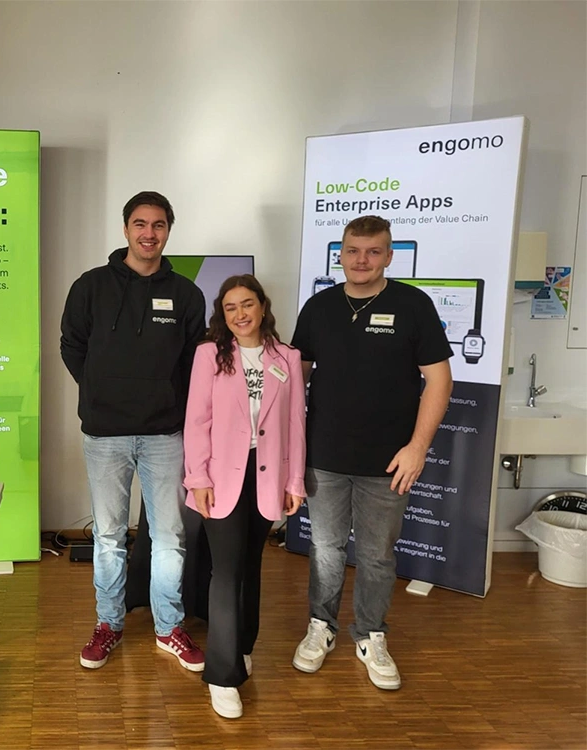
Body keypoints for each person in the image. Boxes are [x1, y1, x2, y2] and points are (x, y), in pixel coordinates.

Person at [290, 215, 453, 690]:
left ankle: (370, 635)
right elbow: (294, 379)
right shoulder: (319, 307)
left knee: (378, 555)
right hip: (325, 457)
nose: (362, 260)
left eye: (373, 251)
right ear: (340, 254)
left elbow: (439, 381)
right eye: (353, 251)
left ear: (388, 255)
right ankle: (321, 628)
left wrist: (417, 448)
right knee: (324, 549)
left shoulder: (413, 305)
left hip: (389, 462)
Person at [61, 191, 207, 672]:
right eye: (141, 224)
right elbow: (72, 346)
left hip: (165, 434)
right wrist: (102, 389)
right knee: (107, 536)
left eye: (159, 225)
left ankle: (169, 628)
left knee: (169, 537)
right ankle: (109, 624)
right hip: (105, 433)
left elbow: (193, 362)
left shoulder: (187, 294)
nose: (150, 233)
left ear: (169, 231)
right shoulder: (91, 286)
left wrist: (164, 399)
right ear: (126, 229)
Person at [183, 274, 306, 718]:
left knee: (251, 568)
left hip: (268, 478)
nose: (240, 314)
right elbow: (197, 422)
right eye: (231, 307)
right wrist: (198, 478)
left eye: (247, 304)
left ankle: (242, 648)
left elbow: (295, 426)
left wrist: (294, 484)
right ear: (223, 313)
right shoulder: (208, 356)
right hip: (222, 480)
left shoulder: (286, 358)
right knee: (225, 572)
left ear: (262, 306)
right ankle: (220, 673)